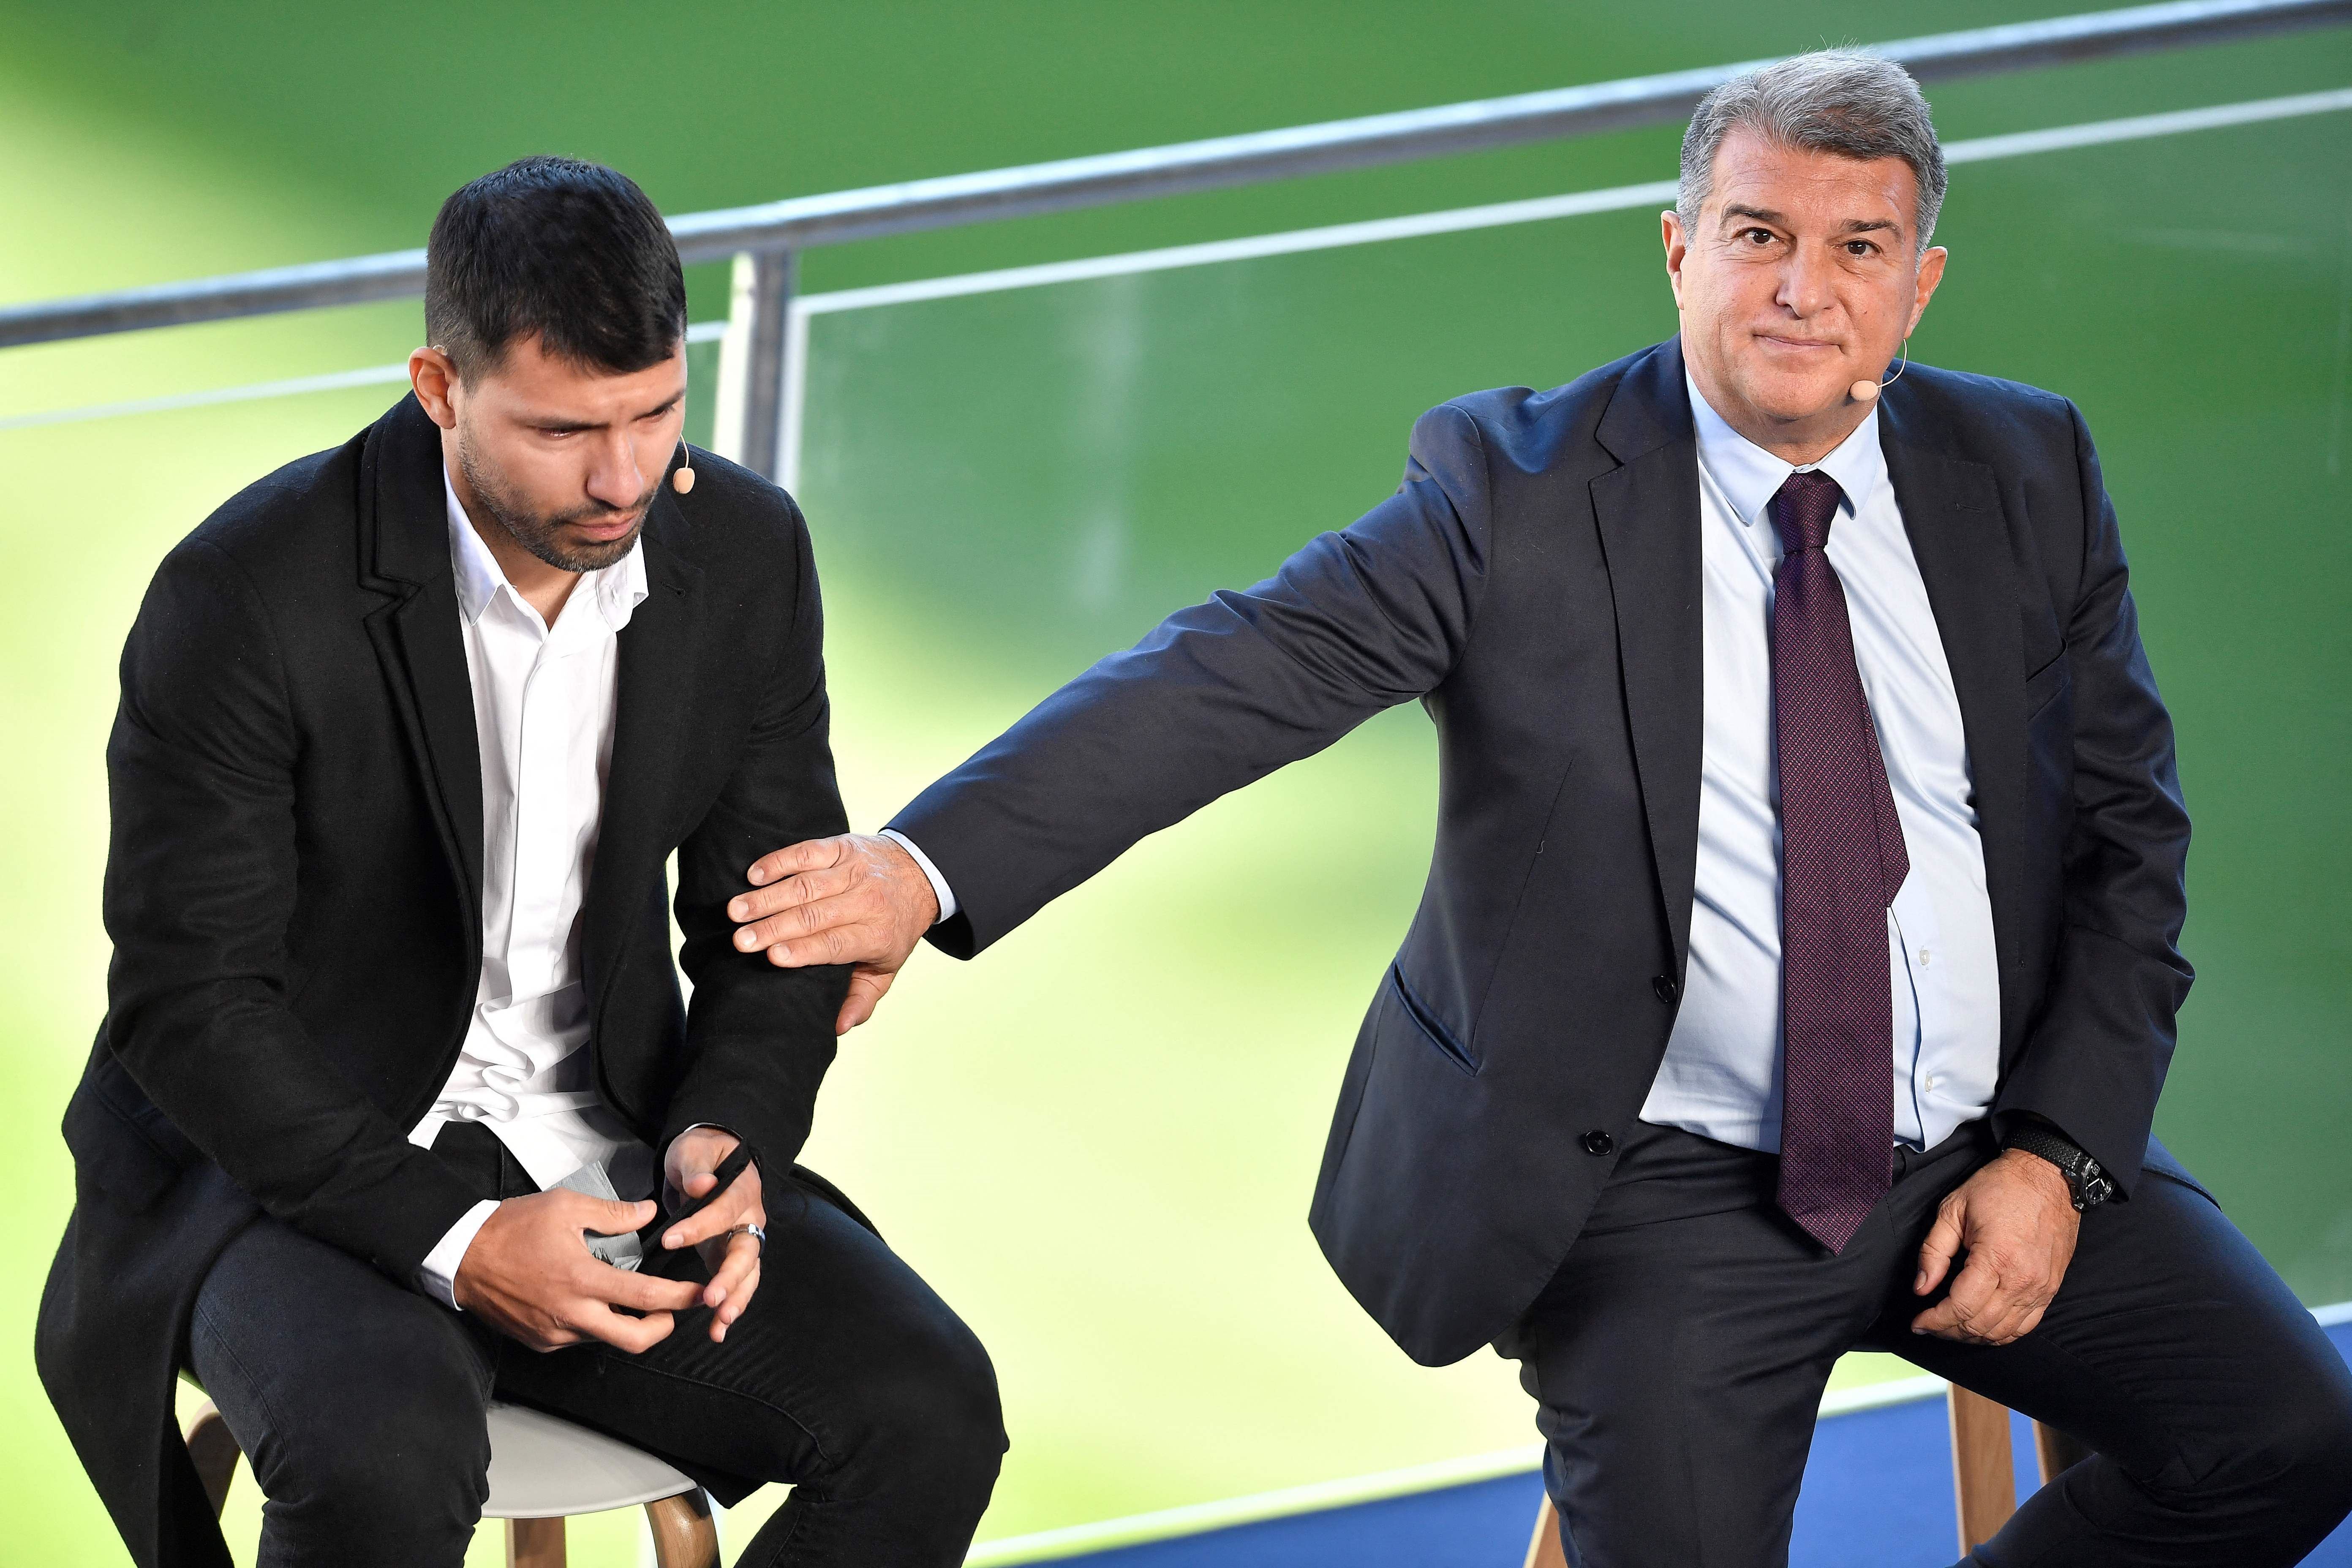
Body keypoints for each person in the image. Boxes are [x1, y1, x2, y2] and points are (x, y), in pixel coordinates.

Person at [726, 53, 2352, 1567]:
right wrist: (926, 866)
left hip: (1991, 1138)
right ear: (1679, 250)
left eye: (1858, 249)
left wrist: (2057, 1158)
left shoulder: (2027, 468)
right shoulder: (1515, 493)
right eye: (1758, 234)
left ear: (1918, 285)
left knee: (2288, 1440)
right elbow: (1235, 673)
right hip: (1665, 1182)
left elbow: (2127, 842)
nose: (1803, 289)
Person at [36, 156, 1004, 1568]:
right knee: (383, 1454)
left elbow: (776, 917)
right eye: (563, 430)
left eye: (656, 413)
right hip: (290, 1163)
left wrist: (729, 1128)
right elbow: (194, 1005)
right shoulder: (245, 593)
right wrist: (463, 1238)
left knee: (930, 1414)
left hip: (610, 1144)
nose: (624, 478)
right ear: (440, 388)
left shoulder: (744, 553)